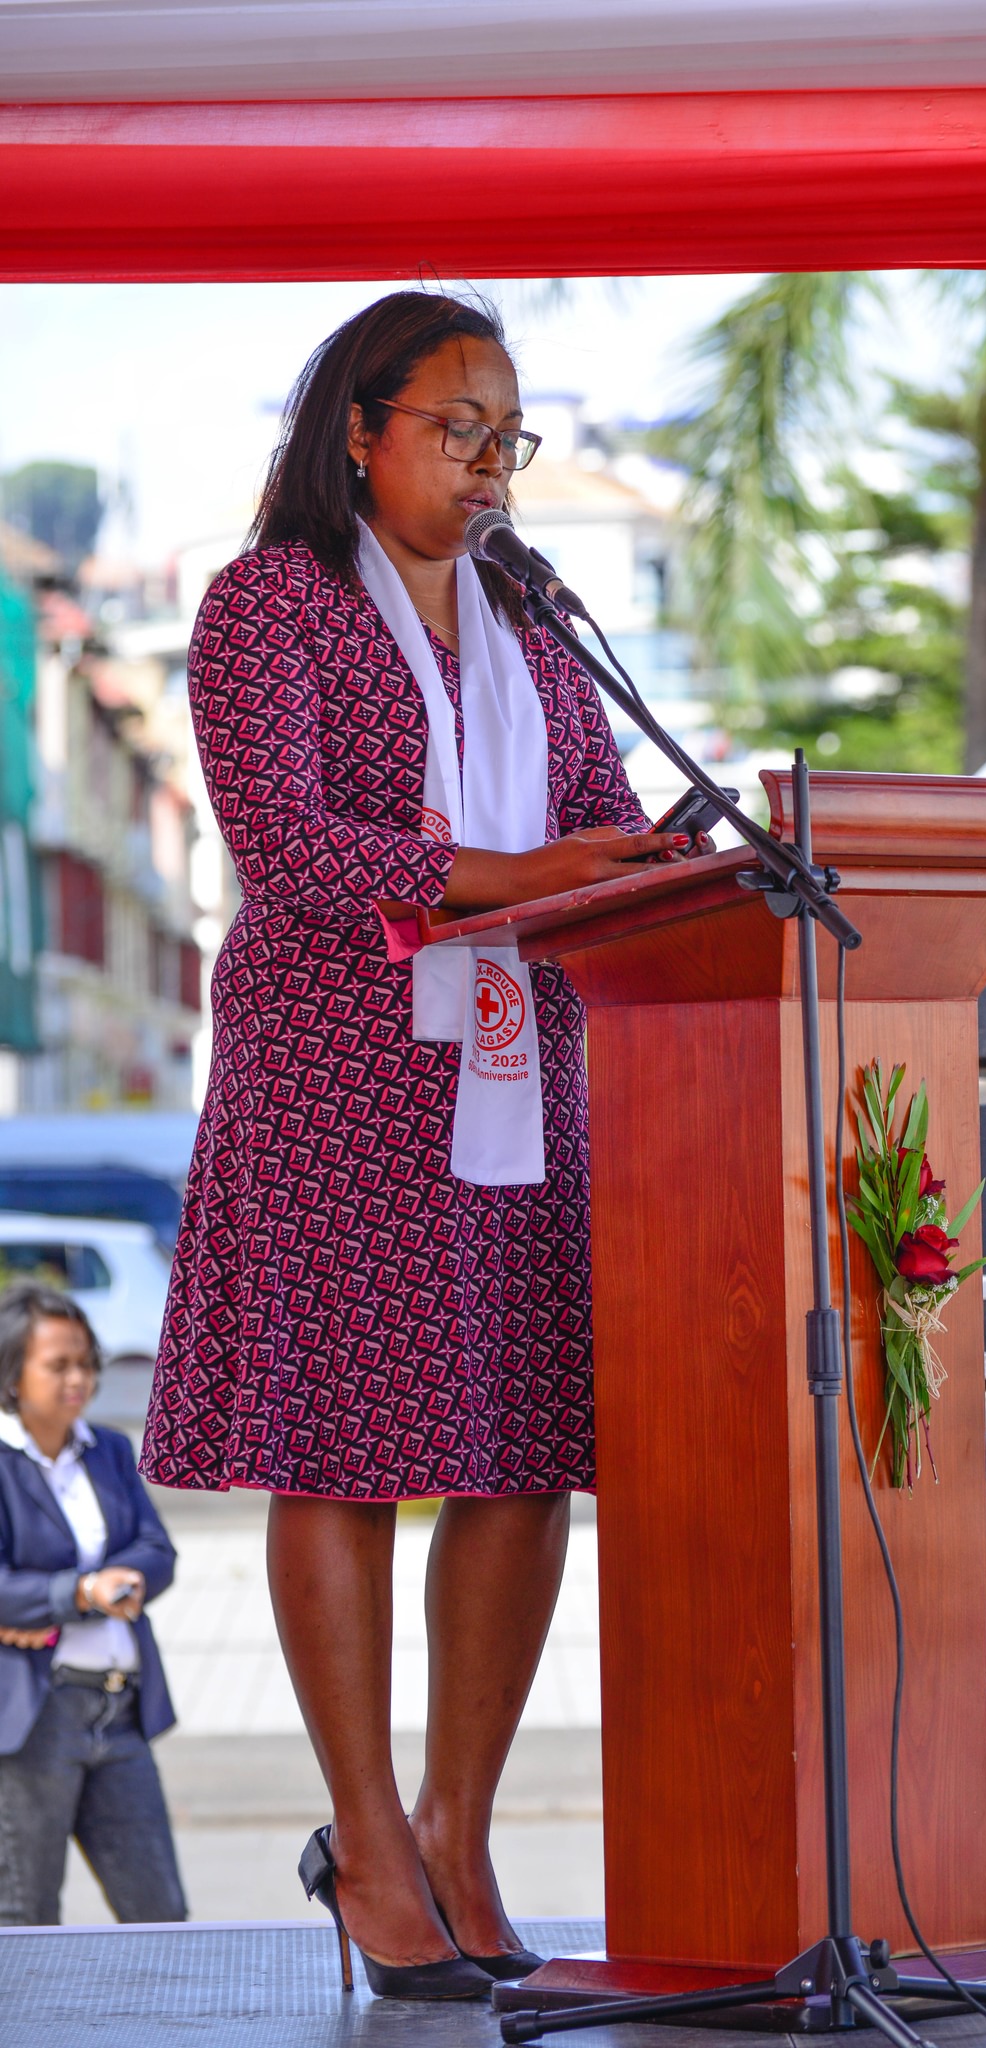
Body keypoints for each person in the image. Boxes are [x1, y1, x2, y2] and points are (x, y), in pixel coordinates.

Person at [138, 290, 692, 2000]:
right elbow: (290, 847)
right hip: (335, 1072)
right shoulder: (267, 604)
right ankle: (366, 1836)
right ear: (359, 428)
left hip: (524, 1076)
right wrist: (529, 880)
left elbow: (604, 810)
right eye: (460, 427)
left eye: (506, 435)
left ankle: (458, 1827)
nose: (489, 464)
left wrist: (672, 856)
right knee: (350, 1448)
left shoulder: (532, 617)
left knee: (517, 1448)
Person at [0, 1282, 184, 1926]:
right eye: (59, 1364)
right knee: (24, 1922)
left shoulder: (109, 1449)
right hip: (33, 1719)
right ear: (13, 1374)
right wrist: (79, 1594)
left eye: (86, 1362)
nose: (78, 1378)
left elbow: (156, 1548)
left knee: (161, 1914)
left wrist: (116, 1581)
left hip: (120, 1708)